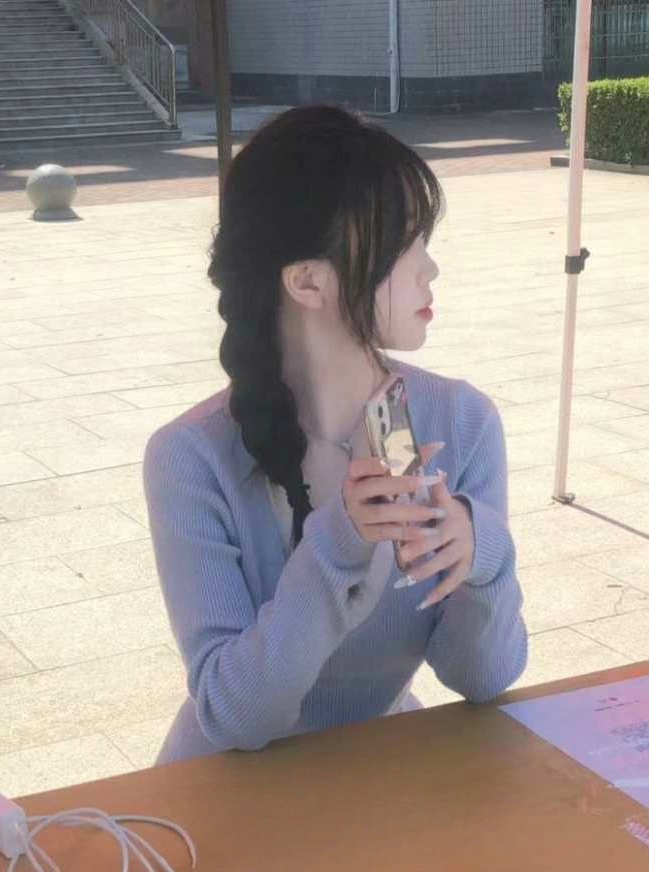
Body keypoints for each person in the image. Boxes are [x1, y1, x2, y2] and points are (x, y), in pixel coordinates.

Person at [143, 105, 527, 766]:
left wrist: (481, 554)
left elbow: (483, 678)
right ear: (308, 281)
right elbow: (235, 715)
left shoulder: (461, 422)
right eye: (402, 242)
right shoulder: (191, 457)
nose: (429, 268)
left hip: (378, 780)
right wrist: (341, 541)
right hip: (228, 793)